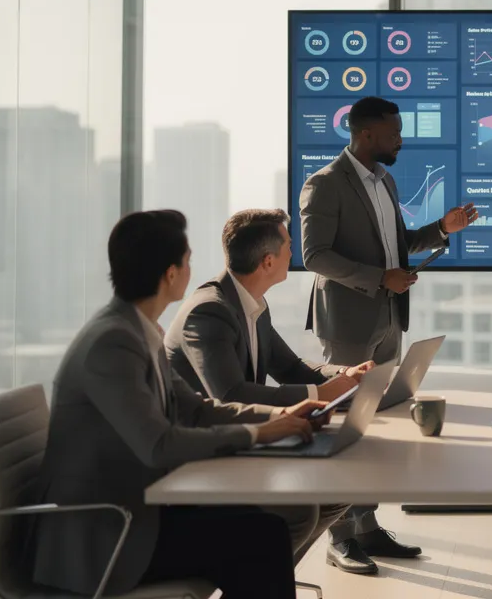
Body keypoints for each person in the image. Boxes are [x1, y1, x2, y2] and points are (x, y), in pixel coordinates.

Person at [32, 210, 327, 598]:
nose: (193, 269)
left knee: (262, 528)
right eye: (188, 260)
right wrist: (257, 432)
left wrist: (279, 416)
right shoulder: (113, 343)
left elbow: (197, 409)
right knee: (261, 538)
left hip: (139, 507)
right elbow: (159, 445)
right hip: (106, 534)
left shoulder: (136, 330)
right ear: (171, 274)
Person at [298, 95, 479, 573]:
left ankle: (368, 528)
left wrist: (443, 227)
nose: (401, 139)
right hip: (349, 325)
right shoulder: (324, 185)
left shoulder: (385, 181)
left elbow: (397, 245)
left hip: (388, 318)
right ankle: (338, 537)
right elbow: (314, 256)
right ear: (365, 134)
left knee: (374, 428)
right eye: (394, 133)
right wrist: (380, 277)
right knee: (346, 427)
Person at [164, 208, 375, 564]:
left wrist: (345, 374)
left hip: (242, 441)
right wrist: (321, 395)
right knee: (304, 508)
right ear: (267, 261)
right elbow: (230, 395)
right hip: (201, 456)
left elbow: (290, 366)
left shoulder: (251, 302)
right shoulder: (209, 311)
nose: (294, 252)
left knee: (339, 492)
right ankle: (259, 574)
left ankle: (264, 572)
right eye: (289, 245)